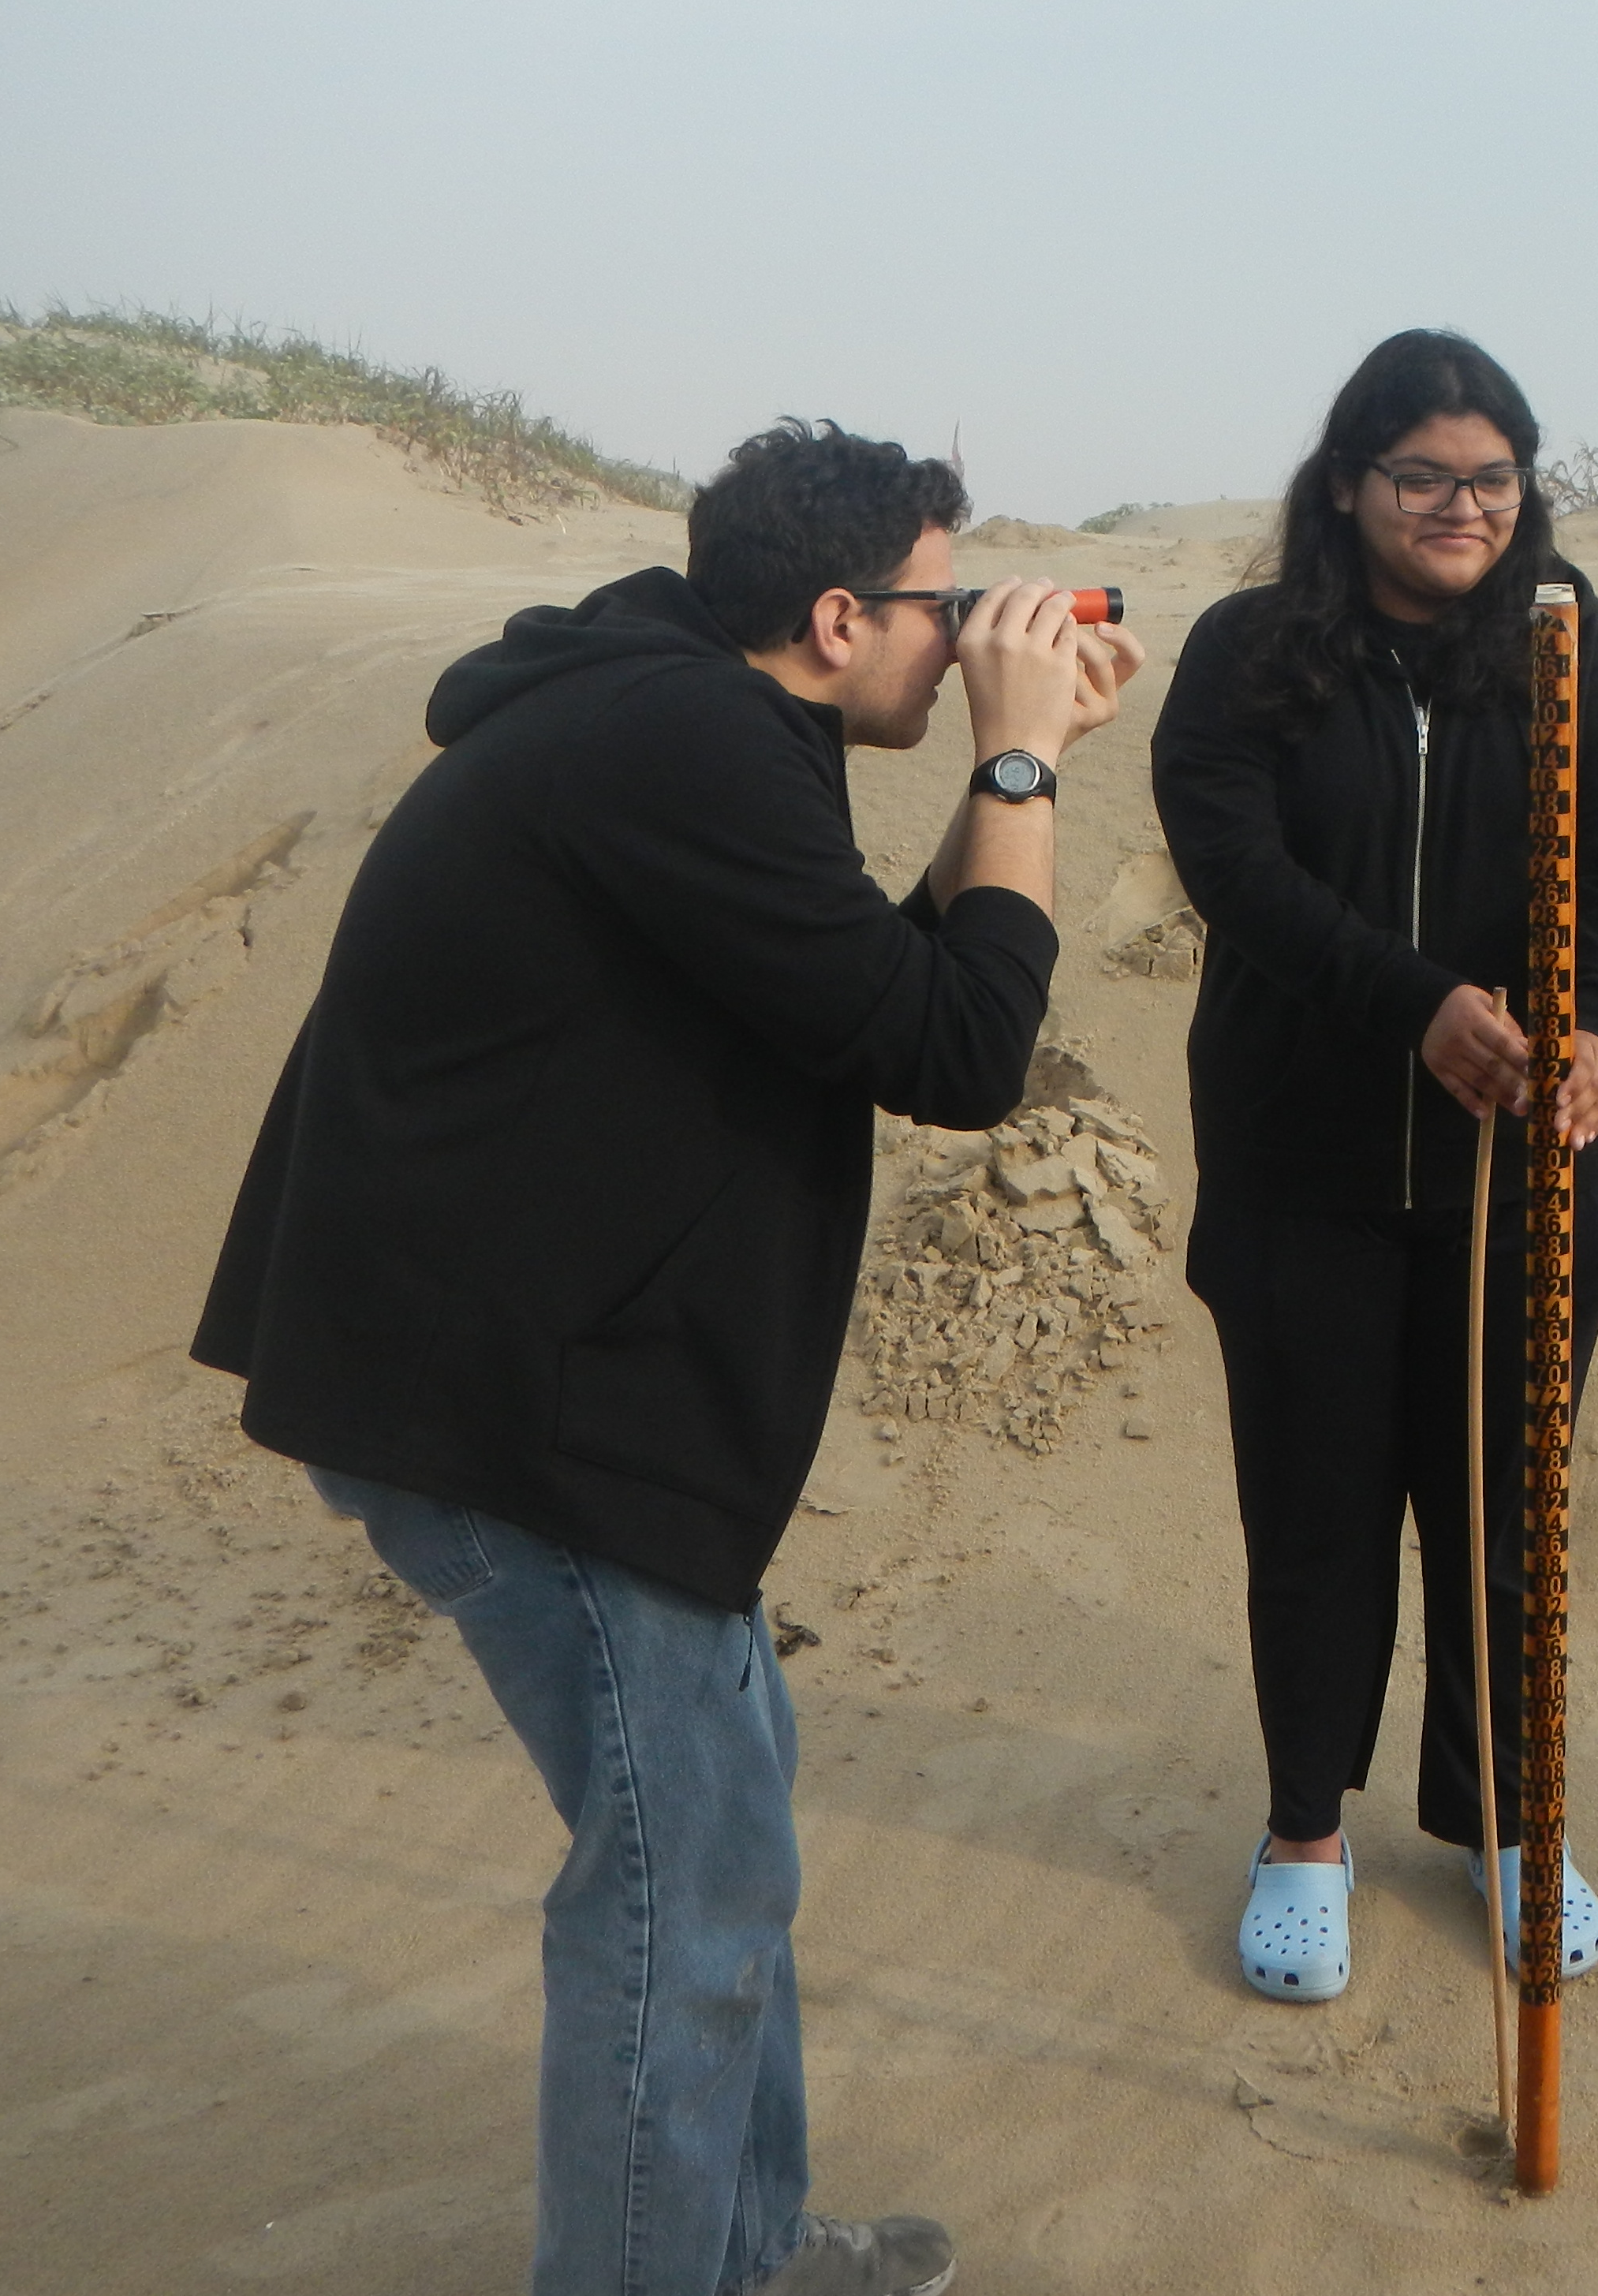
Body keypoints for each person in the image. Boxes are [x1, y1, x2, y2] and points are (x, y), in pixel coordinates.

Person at [191, 418, 1143, 2296]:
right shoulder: (684, 742)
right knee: (676, 1902)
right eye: (943, 613)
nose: (961, 646)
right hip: (527, 1423)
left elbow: (878, 986)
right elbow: (959, 1059)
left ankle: (754, 2250)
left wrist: (1023, 765)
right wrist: (1019, 758)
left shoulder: (674, 721)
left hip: (554, 1388)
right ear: (829, 614)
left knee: (726, 1851)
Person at [1151, 327, 1598, 2003]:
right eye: (1421, 476)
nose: (1459, 507)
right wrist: (1412, 1010)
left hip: (1521, 1173)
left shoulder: (1571, 644)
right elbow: (1229, 860)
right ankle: (1305, 1830)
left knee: (1505, 1512)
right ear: (1348, 485)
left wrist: (1588, 1015)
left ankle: (1506, 1822)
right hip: (1304, 1164)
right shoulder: (1252, 651)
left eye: (1490, 478)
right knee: (1312, 1514)